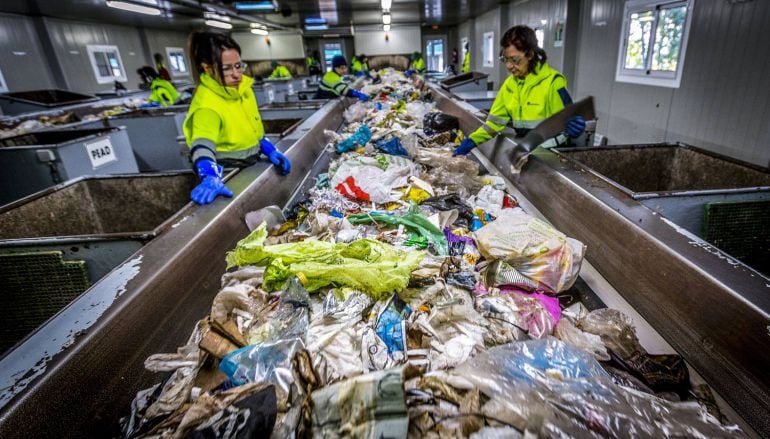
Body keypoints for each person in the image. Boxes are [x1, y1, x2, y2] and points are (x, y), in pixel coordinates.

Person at [183, 31, 290, 205]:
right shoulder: (207, 104)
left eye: (239, 65)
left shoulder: (243, 91)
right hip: (228, 179)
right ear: (208, 68)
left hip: (252, 167)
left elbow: (252, 130)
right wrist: (210, 176)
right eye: (227, 68)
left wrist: (269, 149)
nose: (236, 74)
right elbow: (202, 146)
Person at [454, 25, 585, 156]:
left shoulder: (553, 82)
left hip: (552, 155)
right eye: (505, 59)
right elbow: (494, 124)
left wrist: (573, 126)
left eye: (515, 60)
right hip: (527, 153)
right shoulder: (509, 85)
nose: (509, 66)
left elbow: (566, 123)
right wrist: (471, 141)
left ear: (530, 54)